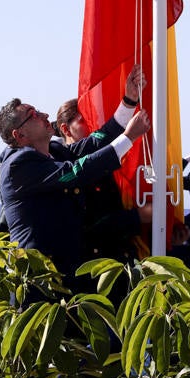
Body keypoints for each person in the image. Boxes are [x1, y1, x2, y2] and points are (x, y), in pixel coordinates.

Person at [0, 65, 150, 287]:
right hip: (40, 284)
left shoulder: (54, 152)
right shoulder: (18, 166)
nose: (45, 115)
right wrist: (128, 138)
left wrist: (128, 102)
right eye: (33, 115)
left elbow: (95, 142)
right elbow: (75, 171)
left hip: (68, 275)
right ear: (19, 135)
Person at [55, 99, 142, 264]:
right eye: (84, 120)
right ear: (66, 129)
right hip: (94, 266)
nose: (92, 125)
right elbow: (90, 226)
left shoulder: (103, 161)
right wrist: (137, 217)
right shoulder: (63, 168)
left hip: (121, 258)